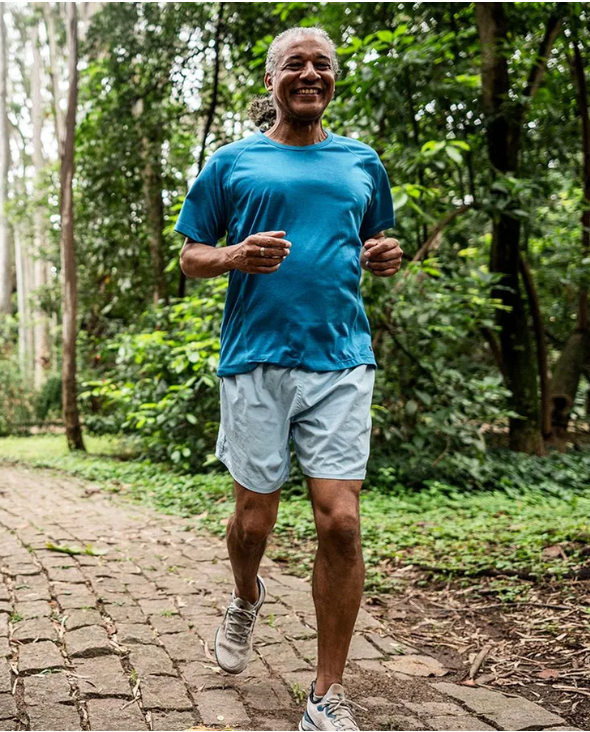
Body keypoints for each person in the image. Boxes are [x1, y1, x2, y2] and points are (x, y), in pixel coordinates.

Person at [176, 27, 403, 732]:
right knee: (253, 521)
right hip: (255, 360)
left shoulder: (361, 161)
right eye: (295, 64)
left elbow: (374, 241)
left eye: (323, 64)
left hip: (340, 358)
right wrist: (234, 255)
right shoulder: (232, 162)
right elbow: (190, 257)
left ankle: (326, 693)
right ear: (272, 78)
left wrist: (383, 254)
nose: (311, 73)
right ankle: (247, 595)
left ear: (334, 79)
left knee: (340, 519)